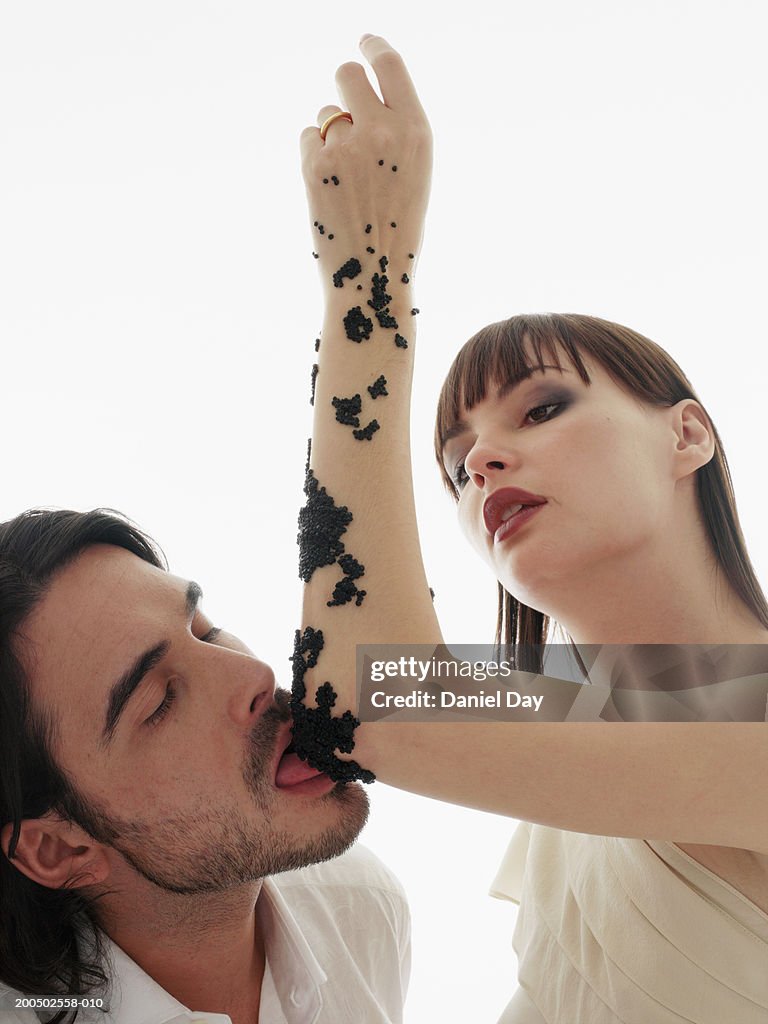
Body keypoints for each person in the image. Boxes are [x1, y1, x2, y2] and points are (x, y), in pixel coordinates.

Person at [295, 34, 768, 1022]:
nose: (480, 463)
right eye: (455, 460)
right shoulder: (560, 704)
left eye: (542, 407)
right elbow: (359, 693)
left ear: (688, 434)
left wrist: (368, 279)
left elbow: (359, 702)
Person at [0, 509, 411, 1024]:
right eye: (160, 700)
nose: (256, 674)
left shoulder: (361, 903)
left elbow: (540, 690)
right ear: (59, 847)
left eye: (206, 631)